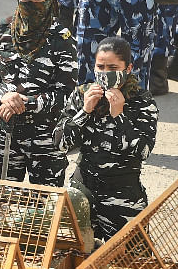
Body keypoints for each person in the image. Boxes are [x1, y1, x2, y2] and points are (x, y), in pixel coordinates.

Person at [0, 0, 79, 186]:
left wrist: (27, 103)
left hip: (47, 138)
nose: (30, 2)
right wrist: (5, 96)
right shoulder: (1, 30)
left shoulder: (62, 39)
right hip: (5, 132)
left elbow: (67, 93)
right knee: (1, 201)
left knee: (43, 209)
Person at [57, 36, 158, 241]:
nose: (105, 73)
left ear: (128, 68)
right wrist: (84, 111)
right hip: (83, 190)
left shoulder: (142, 102)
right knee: (73, 258)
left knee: (127, 262)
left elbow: (143, 151)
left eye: (113, 68)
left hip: (123, 195)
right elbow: (60, 144)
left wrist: (119, 115)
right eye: (100, 67)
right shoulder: (82, 95)